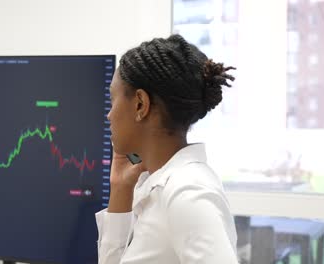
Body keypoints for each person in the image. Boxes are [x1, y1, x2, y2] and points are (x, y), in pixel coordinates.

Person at [95, 34, 239, 264]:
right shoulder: (161, 185)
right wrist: (121, 189)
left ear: (140, 104)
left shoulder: (187, 192)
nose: (109, 114)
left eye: (113, 100)